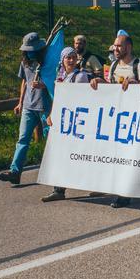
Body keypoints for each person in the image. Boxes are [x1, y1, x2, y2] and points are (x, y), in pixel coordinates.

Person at [91, 33, 140, 211]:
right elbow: (112, 88)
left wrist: (135, 83)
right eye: (115, 46)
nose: (115, 49)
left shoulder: (139, 65)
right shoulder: (115, 64)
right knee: (122, 158)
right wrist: (100, 82)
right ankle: (124, 194)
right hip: (121, 120)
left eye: (119, 46)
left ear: (128, 47)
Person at [0, 32, 50, 186]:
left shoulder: (49, 62)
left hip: (45, 107)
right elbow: (24, 82)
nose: (29, 52)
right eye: (27, 50)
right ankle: (15, 171)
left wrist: (44, 85)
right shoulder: (24, 63)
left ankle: (54, 171)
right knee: (22, 139)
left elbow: (56, 83)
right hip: (28, 106)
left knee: (50, 140)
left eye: (32, 49)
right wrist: (20, 102)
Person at [42, 46, 91, 203]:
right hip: (64, 121)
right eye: (67, 58)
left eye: (73, 57)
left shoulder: (80, 76)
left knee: (82, 155)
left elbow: (81, 99)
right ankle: (59, 189)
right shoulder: (61, 77)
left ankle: (97, 184)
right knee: (62, 155)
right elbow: (58, 99)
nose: (70, 60)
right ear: (62, 60)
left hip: (77, 122)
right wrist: (52, 114)